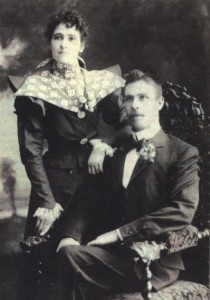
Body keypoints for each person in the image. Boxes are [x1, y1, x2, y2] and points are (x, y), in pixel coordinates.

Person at [55, 69, 200, 300]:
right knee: (67, 253)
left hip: (154, 262)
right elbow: (86, 200)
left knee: (70, 261)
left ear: (159, 102)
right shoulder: (115, 151)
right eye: (129, 98)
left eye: (143, 98)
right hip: (113, 257)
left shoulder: (182, 153)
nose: (135, 105)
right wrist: (70, 236)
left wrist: (119, 234)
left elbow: (182, 210)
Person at [10, 8, 125, 240]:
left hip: (96, 175)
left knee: (96, 246)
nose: (64, 44)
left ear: (81, 45)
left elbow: (126, 124)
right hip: (55, 184)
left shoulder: (97, 82)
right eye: (58, 37)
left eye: (72, 38)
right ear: (51, 43)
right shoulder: (36, 88)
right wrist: (47, 202)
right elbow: (31, 151)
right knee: (49, 256)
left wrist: (103, 146)